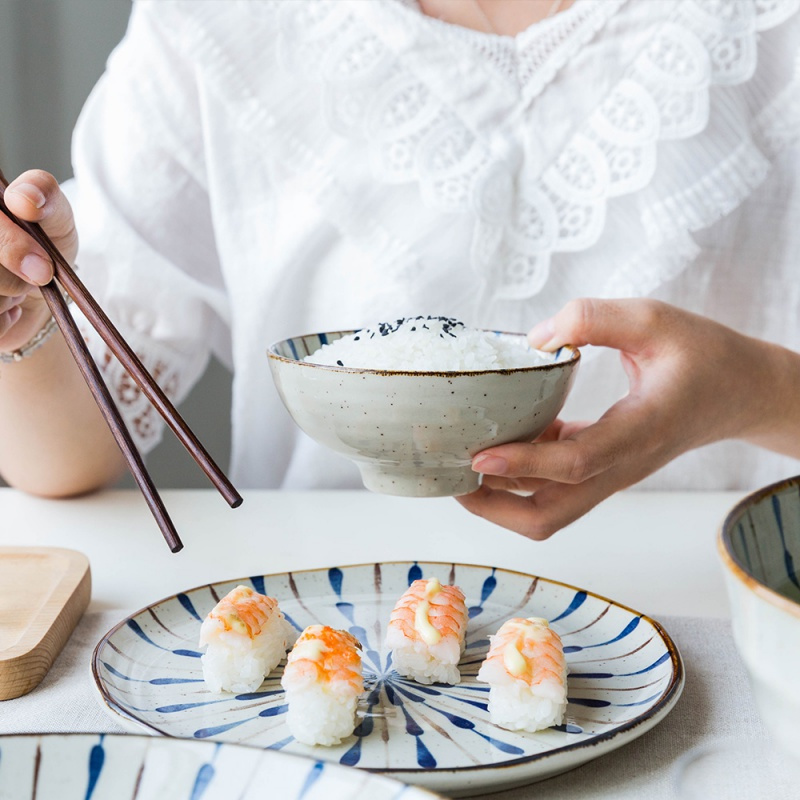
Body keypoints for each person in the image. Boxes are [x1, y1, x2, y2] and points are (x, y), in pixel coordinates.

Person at [0, 0, 799, 540]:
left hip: (722, 616)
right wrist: (23, 311)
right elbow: (61, 458)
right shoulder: (214, 20)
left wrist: (752, 389)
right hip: (319, 623)